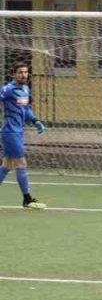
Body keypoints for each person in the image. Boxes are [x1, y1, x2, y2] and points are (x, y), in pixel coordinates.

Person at [1, 64, 47, 209]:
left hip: (18, 131)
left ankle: (27, 199)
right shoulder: (8, 89)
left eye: (26, 72)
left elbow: (25, 109)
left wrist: (35, 120)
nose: (24, 75)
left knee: (7, 165)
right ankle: (27, 199)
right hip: (10, 132)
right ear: (14, 74)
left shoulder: (26, 89)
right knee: (21, 163)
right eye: (20, 72)